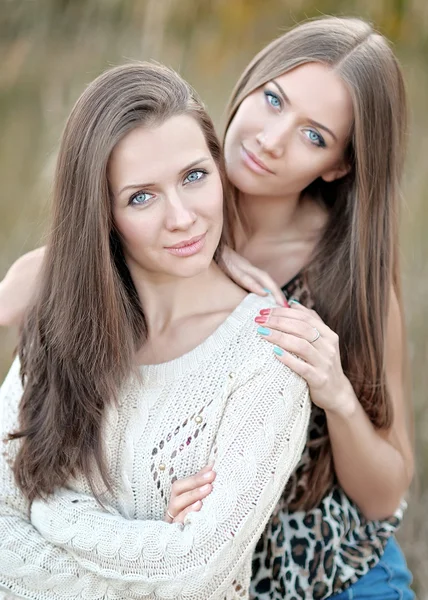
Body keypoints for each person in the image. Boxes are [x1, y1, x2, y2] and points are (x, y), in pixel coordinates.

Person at [0, 15, 415, 600]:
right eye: (273, 99)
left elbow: (384, 493)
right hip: (178, 557)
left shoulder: (343, 279)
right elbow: (26, 287)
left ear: (338, 165)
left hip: (323, 572)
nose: (271, 137)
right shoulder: (179, 176)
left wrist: (338, 395)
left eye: (313, 135)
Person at [0, 62, 311, 599]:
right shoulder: (62, 321)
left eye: (194, 176)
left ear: (219, 170)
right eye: (141, 197)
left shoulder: (267, 356)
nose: (183, 218)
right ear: (102, 214)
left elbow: (194, 574)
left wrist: (45, 511)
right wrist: (148, 546)